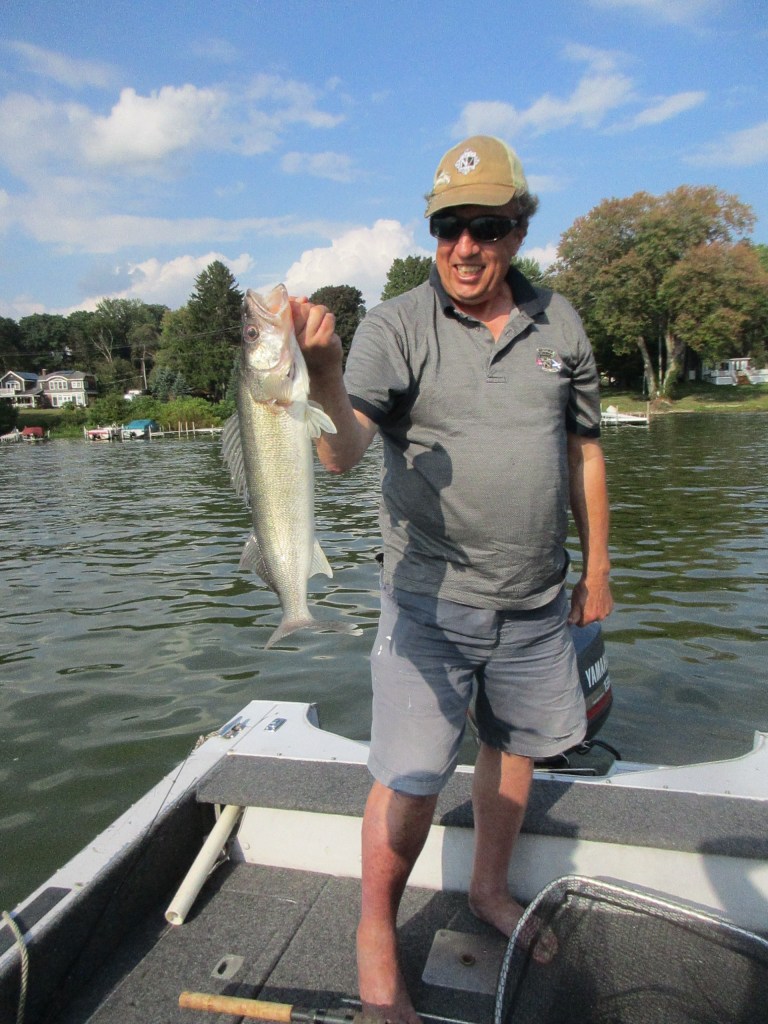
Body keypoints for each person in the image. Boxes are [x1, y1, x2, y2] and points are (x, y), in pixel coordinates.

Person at [291, 135, 613, 1024]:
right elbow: (342, 452)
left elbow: (585, 451)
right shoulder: (397, 326)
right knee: (410, 775)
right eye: (448, 228)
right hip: (427, 604)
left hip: (537, 601)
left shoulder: (561, 323)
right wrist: (324, 373)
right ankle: (374, 930)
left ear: (518, 230)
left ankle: (489, 889)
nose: (465, 247)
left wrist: (598, 566)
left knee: (514, 749)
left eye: (486, 227)